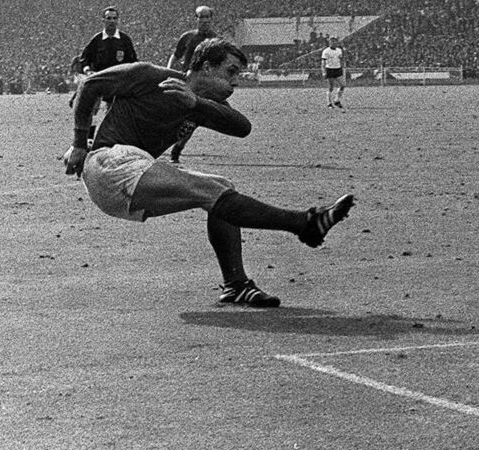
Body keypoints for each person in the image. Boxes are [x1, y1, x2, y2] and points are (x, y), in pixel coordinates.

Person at [63, 38, 356, 308]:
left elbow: (242, 127)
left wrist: (196, 104)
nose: (235, 81)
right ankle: (304, 223)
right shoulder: (153, 76)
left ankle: (236, 284)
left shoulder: (199, 104)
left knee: (220, 187)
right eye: (230, 71)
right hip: (109, 162)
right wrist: (79, 144)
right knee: (213, 192)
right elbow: (91, 85)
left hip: (130, 178)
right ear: (206, 67)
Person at [165, 5, 218, 163]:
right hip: (186, 81)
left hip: (203, 86)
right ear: (196, 19)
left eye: (207, 17)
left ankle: (177, 151)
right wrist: (168, 70)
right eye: (201, 17)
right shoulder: (188, 37)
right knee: (174, 116)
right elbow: (175, 56)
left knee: (192, 120)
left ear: (211, 19)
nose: (204, 20)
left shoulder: (215, 40)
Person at [78, 7, 139, 144]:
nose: (112, 21)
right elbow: (84, 60)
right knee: (92, 111)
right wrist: (88, 71)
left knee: (113, 113)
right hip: (99, 82)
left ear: (118, 20)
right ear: (103, 20)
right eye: (109, 18)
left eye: (114, 18)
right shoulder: (97, 40)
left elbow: (134, 62)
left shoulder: (124, 40)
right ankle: (88, 140)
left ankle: (111, 140)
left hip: (117, 84)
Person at [321, 36, 346, 109]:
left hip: (337, 69)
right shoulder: (326, 51)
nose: (333, 43)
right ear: (329, 43)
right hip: (329, 69)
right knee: (331, 87)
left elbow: (341, 59)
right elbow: (323, 62)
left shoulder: (339, 50)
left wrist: (342, 67)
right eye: (332, 42)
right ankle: (329, 103)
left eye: (335, 42)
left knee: (343, 85)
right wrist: (324, 72)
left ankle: (336, 100)